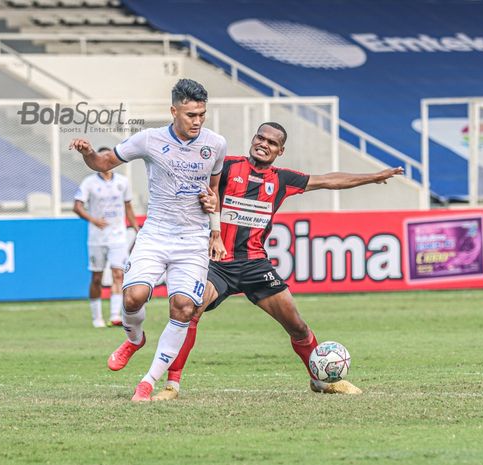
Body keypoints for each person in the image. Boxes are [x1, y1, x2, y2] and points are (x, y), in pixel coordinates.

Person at [151, 122, 404, 401]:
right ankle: (171, 386)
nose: (264, 144)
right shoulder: (227, 167)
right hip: (218, 261)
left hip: (255, 265)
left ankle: (321, 381)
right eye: (260, 137)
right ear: (253, 139)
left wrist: (372, 177)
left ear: (280, 150)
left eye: (272, 142)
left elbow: (329, 180)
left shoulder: (282, 179)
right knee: (190, 312)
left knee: (297, 326)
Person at [69, 78, 227, 402]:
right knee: (132, 298)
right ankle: (134, 340)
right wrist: (87, 153)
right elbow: (102, 163)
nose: (197, 121)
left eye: (201, 114)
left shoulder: (216, 144)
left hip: (193, 239)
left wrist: (216, 230)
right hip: (155, 233)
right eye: (190, 115)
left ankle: (148, 381)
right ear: (173, 111)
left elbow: (214, 192)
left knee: (183, 307)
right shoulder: (149, 140)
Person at [73, 150, 140, 328]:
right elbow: (77, 207)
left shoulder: (122, 182)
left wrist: (135, 226)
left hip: (118, 236)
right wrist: (94, 220)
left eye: (106, 158)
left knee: (118, 274)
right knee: (97, 277)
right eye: (100, 158)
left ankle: (115, 315)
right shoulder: (89, 182)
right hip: (97, 237)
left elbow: (128, 207)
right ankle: (97, 318)